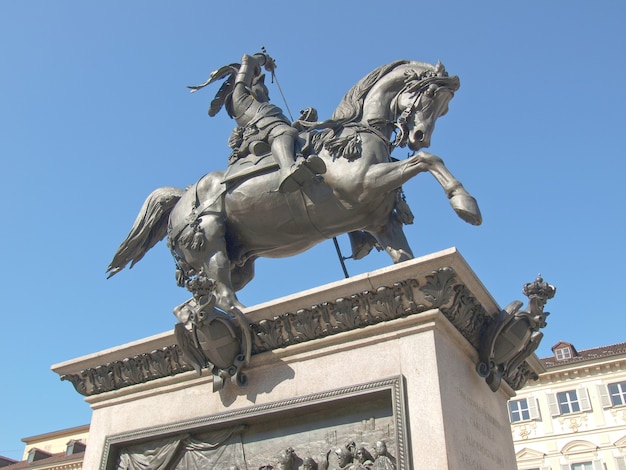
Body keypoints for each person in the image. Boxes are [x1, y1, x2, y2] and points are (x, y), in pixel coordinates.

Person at [198, 52, 325, 192]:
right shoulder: (241, 100)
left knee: (294, 134)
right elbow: (248, 60)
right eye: (263, 89)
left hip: (274, 130)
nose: (267, 95)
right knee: (285, 132)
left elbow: (286, 126)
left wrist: (303, 122)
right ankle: (287, 168)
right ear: (249, 87)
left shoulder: (267, 107)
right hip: (260, 133)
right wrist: (264, 59)